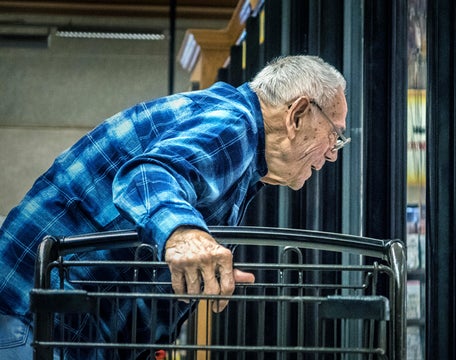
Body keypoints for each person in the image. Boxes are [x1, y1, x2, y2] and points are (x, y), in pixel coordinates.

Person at [0, 55, 349, 358]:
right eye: (334, 135)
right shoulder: (235, 124)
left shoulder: (235, 138)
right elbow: (148, 174)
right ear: (298, 114)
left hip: (52, 321)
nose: (333, 154)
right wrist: (184, 235)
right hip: (30, 317)